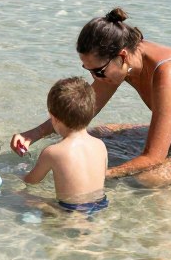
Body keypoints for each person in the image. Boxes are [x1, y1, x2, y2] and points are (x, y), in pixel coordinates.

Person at [10, 8, 171, 187]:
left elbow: (153, 158)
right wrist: (34, 134)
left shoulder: (168, 74)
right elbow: (82, 112)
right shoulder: (125, 62)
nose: (94, 77)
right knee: (89, 134)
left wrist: (102, 175)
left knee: (149, 178)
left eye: (98, 71)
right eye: (87, 70)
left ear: (121, 56)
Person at [20, 78, 109, 214]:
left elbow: (31, 181)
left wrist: (18, 173)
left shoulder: (53, 152)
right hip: (100, 204)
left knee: (20, 195)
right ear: (91, 113)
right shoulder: (100, 145)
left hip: (69, 210)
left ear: (54, 118)